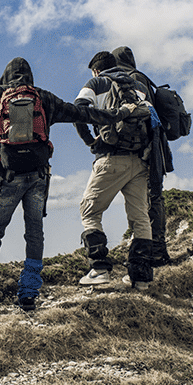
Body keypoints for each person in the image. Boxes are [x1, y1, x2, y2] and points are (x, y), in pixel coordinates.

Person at [0, 57, 144, 311]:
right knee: (34, 233)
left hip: (7, 177)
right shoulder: (44, 98)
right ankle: (28, 295)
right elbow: (83, 113)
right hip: (38, 177)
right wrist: (120, 113)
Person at [74, 51, 154, 290]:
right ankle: (141, 278)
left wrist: (91, 141)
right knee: (140, 216)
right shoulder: (138, 86)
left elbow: (79, 110)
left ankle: (99, 269)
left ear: (96, 70)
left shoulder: (96, 83)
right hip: (140, 160)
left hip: (111, 158)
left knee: (89, 210)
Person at [112, 46, 174, 267]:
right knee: (151, 197)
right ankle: (155, 249)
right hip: (156, 146)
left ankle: (154, 252)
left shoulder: (131, 80)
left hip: (146, 149)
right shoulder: (143, 78)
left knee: (150, 198)